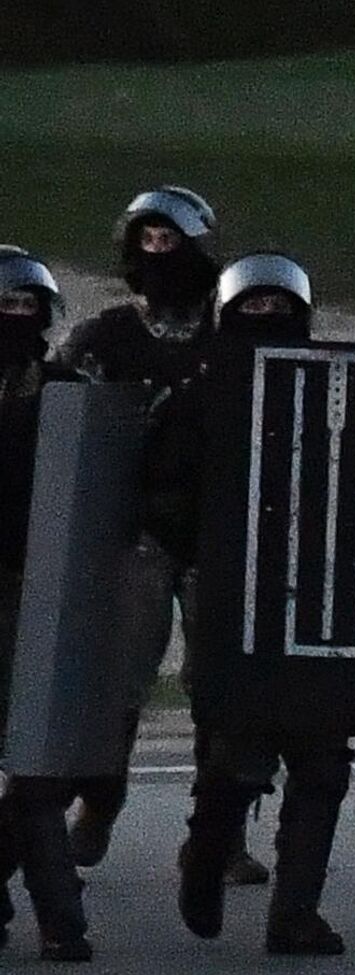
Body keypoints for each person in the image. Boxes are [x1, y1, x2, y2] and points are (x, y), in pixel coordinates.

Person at [56, 187, 269, 882]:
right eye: (145, 241)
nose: (158, 254)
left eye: (169, 241)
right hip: (135, 530)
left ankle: (219, 836)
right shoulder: (102, 341)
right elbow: (62, 431)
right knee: (119, 684)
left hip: (221, 534)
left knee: (223, 689)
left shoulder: (235, 338)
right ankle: (100, 798)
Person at [175, 252, 355, 953]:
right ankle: (207, 851)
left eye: (277, 309)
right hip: (233, 592)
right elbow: (167, 485)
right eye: (250, 309)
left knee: (322, 760)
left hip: (323, 588)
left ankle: (294, 912)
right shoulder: (204, 391)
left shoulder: (336, 387)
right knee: (239, 752)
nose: (265, 319)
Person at [0, 248, 91, 961]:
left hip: (42, 591)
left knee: (40, 770)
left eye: (28, 308)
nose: (19, 321)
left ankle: (62, 920)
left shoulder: (65, 389)